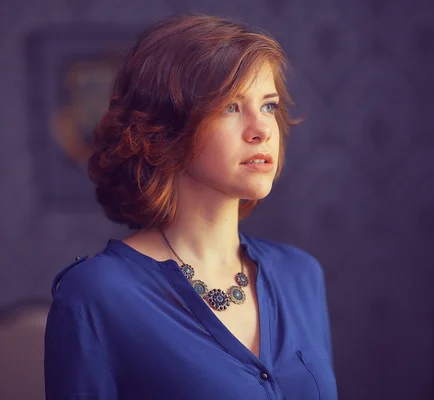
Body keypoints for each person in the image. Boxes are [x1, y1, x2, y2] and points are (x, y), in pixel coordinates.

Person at [44, 14, 337, 400]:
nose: (261, 130)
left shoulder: (301, 274)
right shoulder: (97, 295)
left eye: (268, 106)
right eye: (231, 107)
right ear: (167, 130)